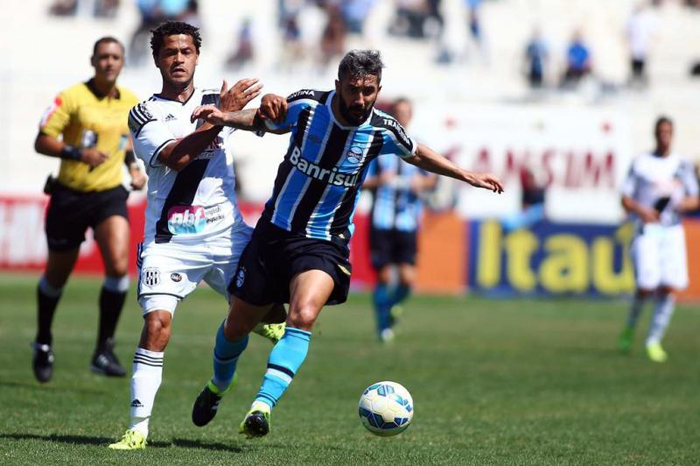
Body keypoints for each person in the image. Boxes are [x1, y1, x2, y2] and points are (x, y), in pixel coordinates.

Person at [187, 49, 504, 438]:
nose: (360, 100)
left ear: (378, 90)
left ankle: (261, 407)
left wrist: (465, 174)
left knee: (302, 316)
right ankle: (220, 385)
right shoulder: (307, 106)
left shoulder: (382, 129)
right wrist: (225, 117)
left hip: (324, 243)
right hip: (274, 234)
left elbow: (416, 152)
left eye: (368, 91)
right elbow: (265, 119)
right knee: (237, 327)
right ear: (338, 85)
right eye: (353, 90)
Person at [108, 21, 285, 450]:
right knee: (157, 326)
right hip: (171, 242)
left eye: (186, 51)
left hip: (226, 237)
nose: (179, 59)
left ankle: (221, 381)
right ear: (157, 60)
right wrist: (221, 119)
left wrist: (274, 109)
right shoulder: (145, 112)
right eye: (170, 52)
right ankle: (137, 429)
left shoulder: (215, 100)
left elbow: (262, 124)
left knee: (277, 319)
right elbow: (176, 156)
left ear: (197, 56)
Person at [32, 37, 146, 384]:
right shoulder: (71, 97)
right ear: (93, 61)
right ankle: (43, 340)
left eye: (115, 57)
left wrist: (133, 167)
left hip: (108, 195)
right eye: (103, 57)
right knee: (56, 277)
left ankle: (103, 349)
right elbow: (41, 140)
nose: (109, 62)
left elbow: (126, 143)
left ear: (122, 62)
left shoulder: (130, 101)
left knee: (117, 265)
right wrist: (78, 154)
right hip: (69, 195)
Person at [618, 116, 699, 362]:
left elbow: (695, 198)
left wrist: (679, 203)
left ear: (672, 135)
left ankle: (654, 339)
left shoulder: (681, 165)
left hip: (672, 230)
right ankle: (630, 325)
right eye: (661, 131)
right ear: (655, 134)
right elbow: (625, 198)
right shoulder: (641, 163)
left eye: (668, 132)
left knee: (669, 285)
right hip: (648, 229)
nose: (664, 136)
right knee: (646, 284)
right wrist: (643, 211)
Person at [362, 97, 435, 342]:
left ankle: (391, 307)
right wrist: (378, 181)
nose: (402, 117)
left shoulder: (419, 145)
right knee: (383, 276)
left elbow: (432, 179)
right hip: (381, 220)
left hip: (408, 221)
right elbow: (361, 180)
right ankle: (382, 325)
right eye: (398, 112)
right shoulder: (378, 142)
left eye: (406, 112)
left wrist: (421, 182)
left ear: (411, 116)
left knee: (407, 278)